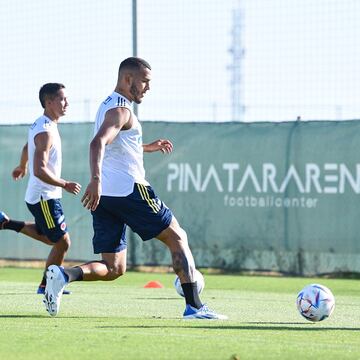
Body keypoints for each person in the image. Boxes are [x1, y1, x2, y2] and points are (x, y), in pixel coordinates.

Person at [43, 57, 227, 320]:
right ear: (128, 79)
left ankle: (64, 274)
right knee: (177, 237)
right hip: (130, 190)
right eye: (145, 81)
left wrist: (145, 147)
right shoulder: (122, 110)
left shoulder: (108, 105)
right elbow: (97, 144)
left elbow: (116, 145)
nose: (148, 88)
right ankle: (195, 306)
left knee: (114, 267)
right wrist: (94, 179)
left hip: (106, 197)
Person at [0, 83, 81, 294]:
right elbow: (40, 170)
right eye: (62, 99)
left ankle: (6, 223)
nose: (67, 103)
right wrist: (65, 183)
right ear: (49, 102)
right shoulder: (45, 130)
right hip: (45, 197)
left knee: (51, 237)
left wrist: (21, 165)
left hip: (43, 196)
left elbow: (28, 147)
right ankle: (47, 285)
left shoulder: (43, 124)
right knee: (62, 241)